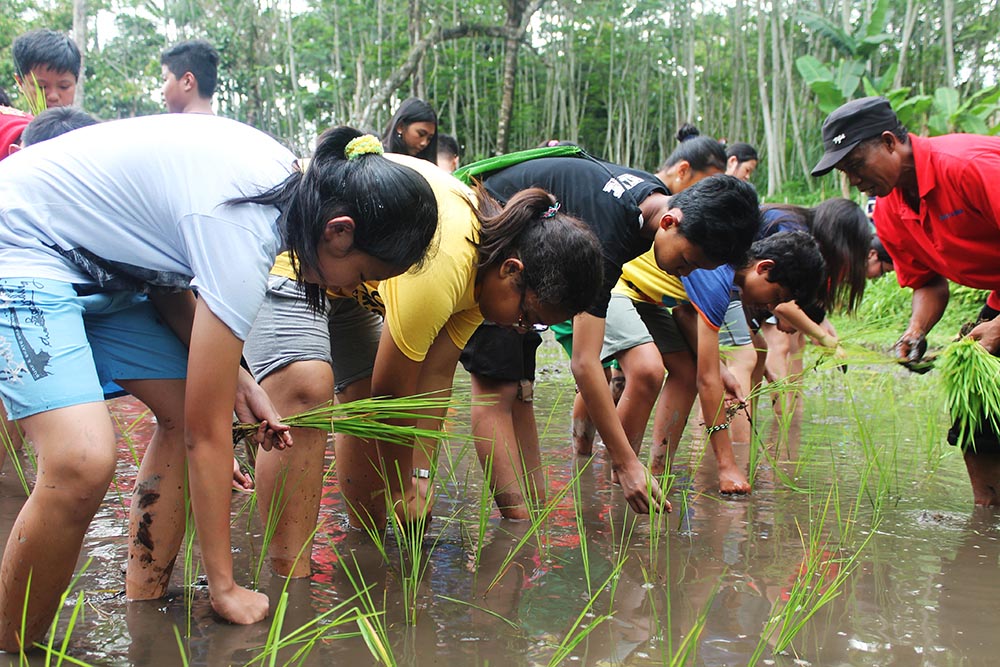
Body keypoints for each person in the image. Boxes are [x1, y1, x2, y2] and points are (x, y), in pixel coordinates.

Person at [0, 118, 440, 649]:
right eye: (365, 274)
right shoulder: (247, 226)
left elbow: (160, 266)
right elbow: (207, 435)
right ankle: (11, 645)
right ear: (339, 231)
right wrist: (226, 587)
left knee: (186, 410)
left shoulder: (287, 190)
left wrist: (238, 380)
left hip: (111, 269)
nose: (357, 289)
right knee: (81, 460)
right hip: (22, 244)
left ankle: (145, 602)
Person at [461, 148, 759, 517]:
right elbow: (585, 363)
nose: (685, 274)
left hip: (531, 265)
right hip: (490, 252)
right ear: (670, 222)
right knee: (496, 390)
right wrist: (626, 462)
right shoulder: (612, 230)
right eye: (687, 262)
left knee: (521, 391)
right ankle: (517, 527)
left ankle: (533, 512)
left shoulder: (649, 198)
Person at [811, 95, 1000, 505]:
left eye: (856, 165)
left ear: (890, 143)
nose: (855, 181)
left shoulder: (968, 166)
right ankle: (986, 520)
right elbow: (928, 283)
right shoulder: (890, 210)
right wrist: (915, 331)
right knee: (976, 417)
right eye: (846, 173)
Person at [618, 231, 824, 490]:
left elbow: (684, 313)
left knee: (685, 372)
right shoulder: (717, 277)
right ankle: (620, 469)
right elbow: (707, 380)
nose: (771, 306)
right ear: (764, 267)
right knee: (650, 370)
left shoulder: (725, 271)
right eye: (776, 296)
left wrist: (720, 368)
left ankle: (658, 471)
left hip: (650, 299)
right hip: (622, 288)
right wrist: (727, 467)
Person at [570, 130, 727, 457]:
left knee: (670, 370)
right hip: (606, 286)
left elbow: (686, 312)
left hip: (646, 298)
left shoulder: (703, 232)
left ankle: (654, 466)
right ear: (683, 171)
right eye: (704, 184)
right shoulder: (652, 203)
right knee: (632, 369)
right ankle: (600, 463)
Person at [12, 29, 81, 109]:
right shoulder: (10, 120)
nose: (53, 96)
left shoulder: (91, 122)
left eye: (64, 86)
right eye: (41, 87)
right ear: (20, 83)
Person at [160, 39, 219, 115]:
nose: (162, 91)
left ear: (187, 81)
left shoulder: (161, 126)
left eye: (165, 79)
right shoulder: (235, 126)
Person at [381, 97, 438, 162]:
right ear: (400, 127)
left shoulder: (423, 165)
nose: (424, 143)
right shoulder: (379, 158)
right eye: (421, 134)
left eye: (429, 139)